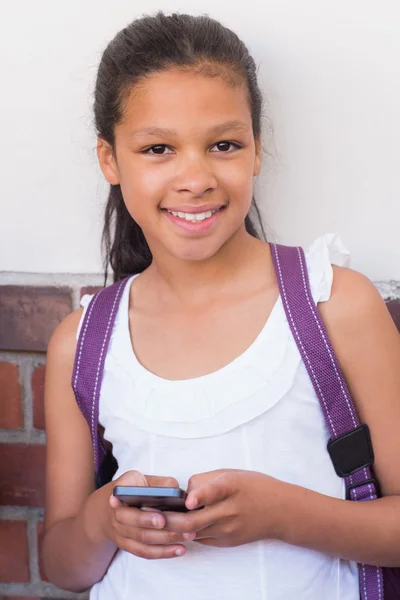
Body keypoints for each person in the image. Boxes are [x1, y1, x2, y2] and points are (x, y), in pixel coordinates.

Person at [42, 10, 400, 600]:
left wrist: (284, 514)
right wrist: (102, 518)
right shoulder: (82, 343)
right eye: (158, 148)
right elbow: (63, 566)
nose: (196, 177)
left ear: (257, 150)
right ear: (110, 160)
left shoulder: (334, 305)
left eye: (224, 144)